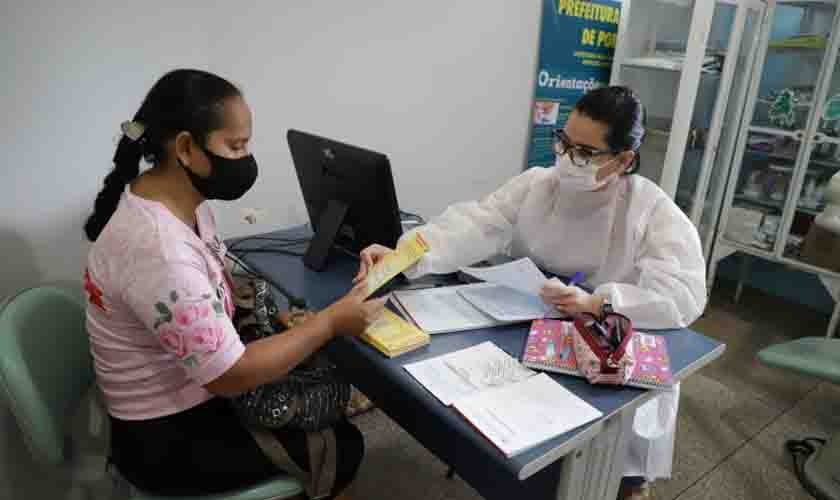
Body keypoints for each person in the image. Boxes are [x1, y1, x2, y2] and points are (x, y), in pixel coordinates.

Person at [355, 86, 707, 499]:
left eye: (585, 153)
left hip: (603, 347)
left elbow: (683, 294)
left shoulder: (650, 209)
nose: (567, 160)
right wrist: (401, 255)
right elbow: (475, 224)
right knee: (504, 434)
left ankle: (625, 486)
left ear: (623, 159)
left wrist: (599, 302)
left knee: (606, 469)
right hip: (526, 326)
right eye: (564, 143)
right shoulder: (540, 184)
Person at [84, 69, 385, 499]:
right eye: (236, 145)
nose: (245, 158)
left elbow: (203, 296)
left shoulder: (173, 201)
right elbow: (228, 376)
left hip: (179, 398)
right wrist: (330, 323)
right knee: (340, 446)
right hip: (164, 437)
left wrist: (286, 322)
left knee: (318, 399)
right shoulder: (159, 248)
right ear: (186, 148)